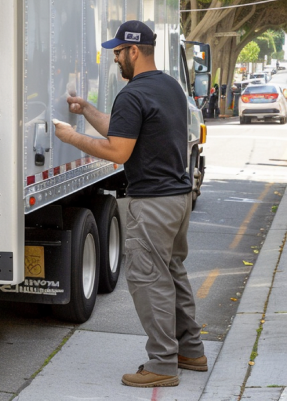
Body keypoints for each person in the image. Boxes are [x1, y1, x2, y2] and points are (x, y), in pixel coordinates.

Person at [54, 20, 206, 388]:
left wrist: (73, 137)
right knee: (172, 274)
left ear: (134, 51)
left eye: (118, 52)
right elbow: (124, 128)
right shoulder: (169, 87)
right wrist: (87, 110)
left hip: (153, 202)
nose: (116, 59)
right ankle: (191, 351)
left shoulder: (133, 93)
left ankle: (163, 365)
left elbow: (119, 150)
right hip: (179, 197)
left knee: (147, 280)